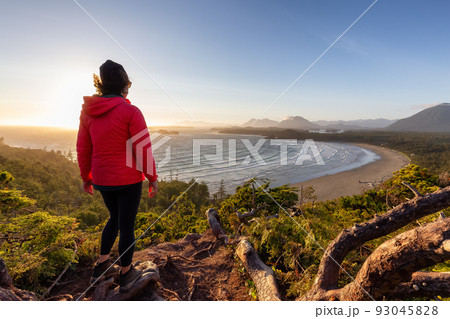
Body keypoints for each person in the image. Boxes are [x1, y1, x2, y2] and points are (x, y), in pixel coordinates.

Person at [77, 59, 158, 293]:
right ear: (123, 85)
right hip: (128, 179)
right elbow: (143, 148)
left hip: (103, 179)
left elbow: (83, 147)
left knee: (114, 217)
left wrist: (87, 177)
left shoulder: (88, 112)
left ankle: (101, 265)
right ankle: (126, 273)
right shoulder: (131, 111)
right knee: (127, 224)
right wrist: (151, 176)